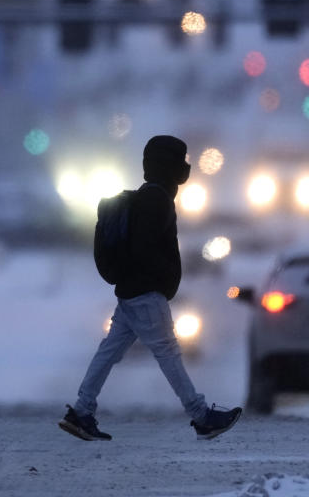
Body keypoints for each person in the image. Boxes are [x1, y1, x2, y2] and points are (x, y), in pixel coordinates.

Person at [59, 135, 242, 441]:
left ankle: (81, 412)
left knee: (109, 352)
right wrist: (162, 278)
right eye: (182, 161)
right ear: (168, 165)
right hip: (145, 294)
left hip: (132, 293)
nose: (187, 167)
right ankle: (201, 416)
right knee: (167, 352)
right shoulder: (156, 200)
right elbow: (146, 249)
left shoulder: (149, 196)